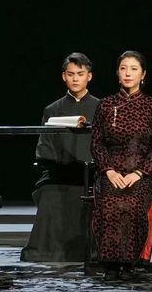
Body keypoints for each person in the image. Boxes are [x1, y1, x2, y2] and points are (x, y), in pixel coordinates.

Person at [90, 50, 152, 280]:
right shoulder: (106, 105)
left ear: (143, 75)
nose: (128, 73)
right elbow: (96, 143)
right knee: (111, 201)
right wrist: (109, 170)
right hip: (111, 172)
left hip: (143, 174)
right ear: (117, 73)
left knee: (131, 202)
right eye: (123, 68)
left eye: (134, 69)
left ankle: (129, 263)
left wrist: (139, 173)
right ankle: (110, 264)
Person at [21, 52, 102, 263]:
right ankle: (47, 253)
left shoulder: (101, 108)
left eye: (80, 74)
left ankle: (93, 252)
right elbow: (44, 148)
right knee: (49, 192)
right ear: (64, 76)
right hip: (59, 173)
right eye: (71, 74)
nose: (75, 79)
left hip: (93, 174)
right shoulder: (52, 110)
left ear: (89, 77)